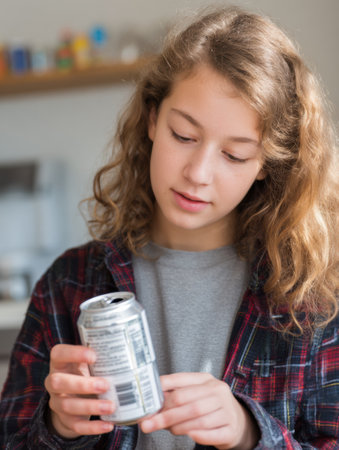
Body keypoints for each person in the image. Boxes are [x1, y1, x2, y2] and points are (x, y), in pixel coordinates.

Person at [1, 5, 338, 449]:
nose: (198, 173)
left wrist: (249, 433)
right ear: (153, 119)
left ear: (264, 165)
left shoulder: (311, 300)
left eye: (234, 155)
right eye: (184, 135)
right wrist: (58, 427)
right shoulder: (67, 285)